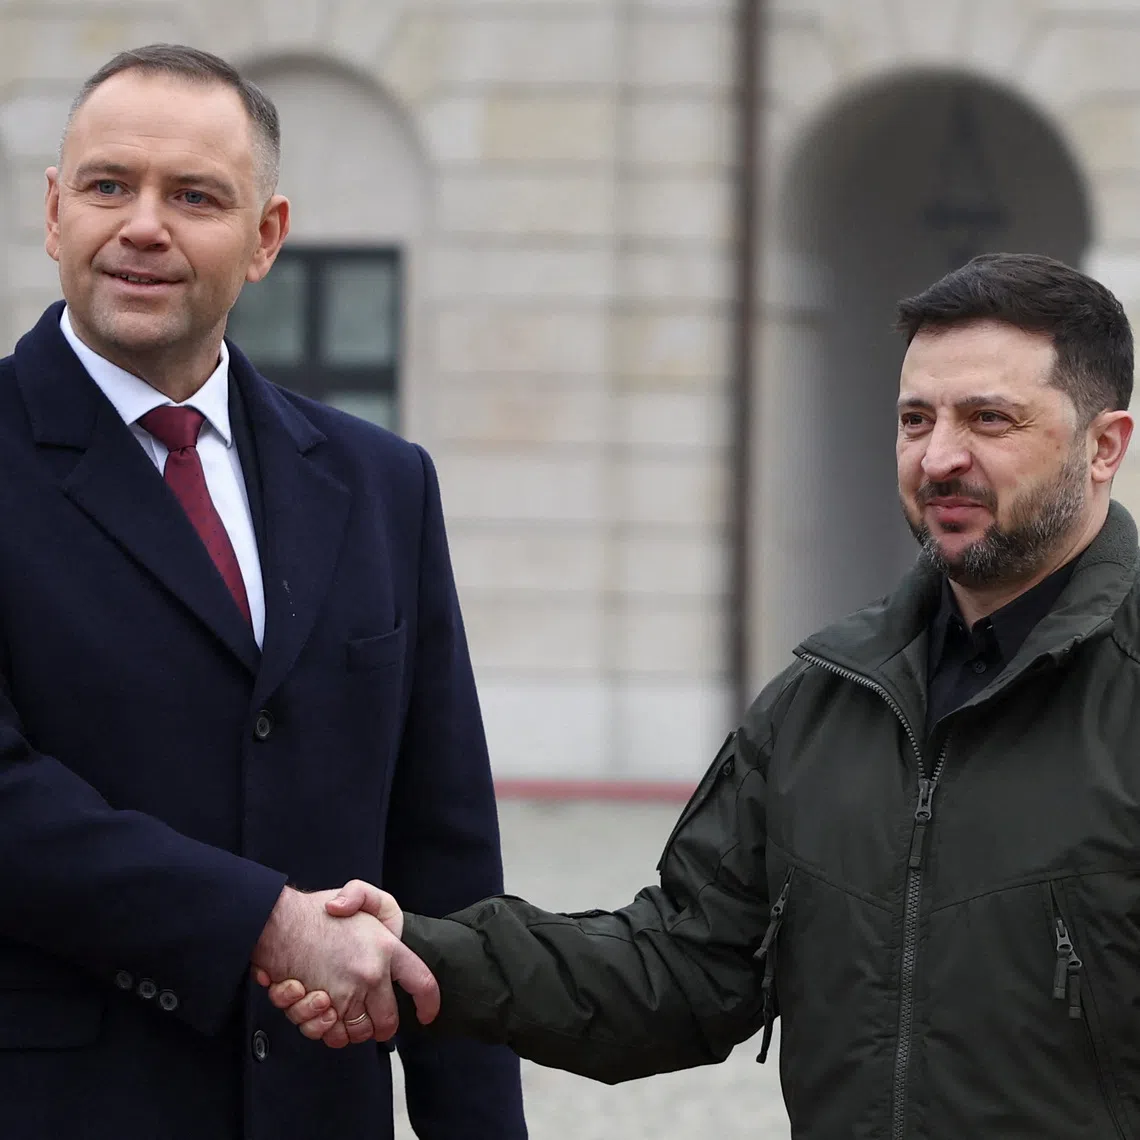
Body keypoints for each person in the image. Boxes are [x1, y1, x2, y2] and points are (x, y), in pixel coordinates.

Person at [268, 252, 1140, 1139]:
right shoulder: (826, 698)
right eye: (917, 419)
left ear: (1104, 445)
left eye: (989, 419)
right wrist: (420, 953)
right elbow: (678, 970)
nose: (939, 456)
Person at [0, 43, 526, 1140]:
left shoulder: (382, 483)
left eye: (195, 197)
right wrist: (264, 923)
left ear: (266, 237)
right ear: (54, 213)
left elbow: (443, 854)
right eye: (109, 186)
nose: (144, 226)